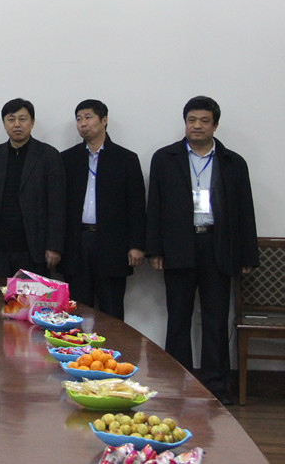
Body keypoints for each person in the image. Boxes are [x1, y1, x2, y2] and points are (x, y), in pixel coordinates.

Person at [146, 95, 258, 405]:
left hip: (218, 245)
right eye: (192, 120)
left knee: (215, 319)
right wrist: (154, 249)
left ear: (215, 125)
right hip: (178, 245)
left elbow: (245, 209)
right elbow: (154, 205)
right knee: (178, 318)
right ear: (185, 123)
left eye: (204, 121)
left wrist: (247, 254)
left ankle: (216, 385)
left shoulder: (233, 162)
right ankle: (176, 381)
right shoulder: (165, 158)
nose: (197, 126)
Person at [59, 99, 146, 320]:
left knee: (111, 309)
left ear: (104, 120)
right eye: (79, 119)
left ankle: (112, 345)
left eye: (88, 117)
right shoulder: (67, 159)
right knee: (77, 309)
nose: (83, 123)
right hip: (77, 243)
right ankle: (77, 344)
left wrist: (136, 245)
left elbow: (136, 205)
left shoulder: (126, 159)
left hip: (112, 244)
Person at [0, 98, 65, 278]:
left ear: (32, 123)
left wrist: (54, 246)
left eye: (22, 119)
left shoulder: (49, 156)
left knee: (32, 297)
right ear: (4, 124)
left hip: (34, 249)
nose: (17, 124)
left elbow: (57, 205)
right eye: (11, 119)